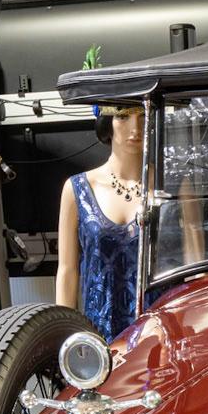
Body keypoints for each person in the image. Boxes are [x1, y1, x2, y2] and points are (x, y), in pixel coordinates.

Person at [55, 104, 143, 342]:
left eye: (144, 116)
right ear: (107, 122)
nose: (136, 128)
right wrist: (62, 338)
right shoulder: (78, 190)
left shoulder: (171, 188)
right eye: (123, 117)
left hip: (157, 332)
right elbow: (67, 270)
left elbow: (192, 264)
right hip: (99, 335)